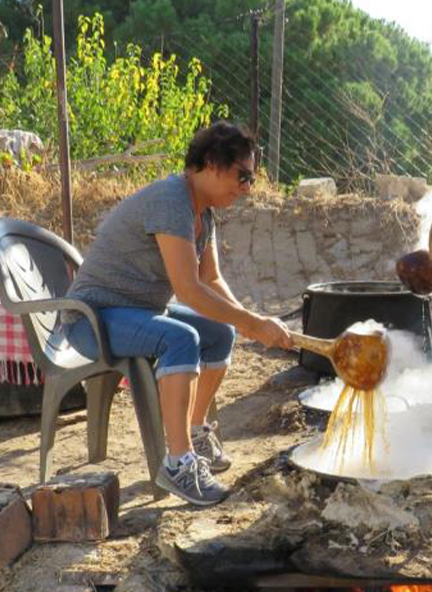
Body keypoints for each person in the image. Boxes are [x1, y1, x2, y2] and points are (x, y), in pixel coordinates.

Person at [58, 121, 292, 506]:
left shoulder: (204, 212)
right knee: (181, 338)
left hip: (137, 311)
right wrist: (254, 323)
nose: (247, 188)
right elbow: (188, 290)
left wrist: (249, 322)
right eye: (243, 176)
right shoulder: (171, 200)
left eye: (251, 179)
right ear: (212, 163)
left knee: (220, 332)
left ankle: (195, 430)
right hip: (93, 318)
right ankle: (178, 463)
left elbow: (211, 279)